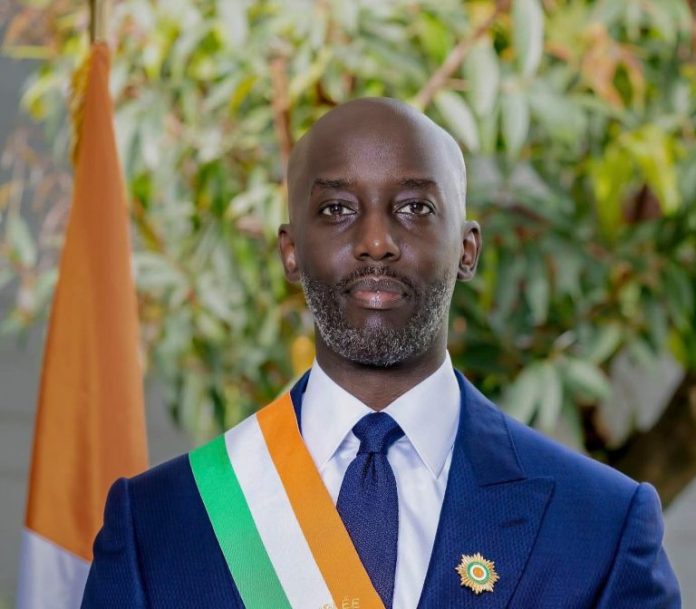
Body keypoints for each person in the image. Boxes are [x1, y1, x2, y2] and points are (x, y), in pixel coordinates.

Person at [81, 98, 681, 609]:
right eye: (337, 209)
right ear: (291, 252)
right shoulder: (158, 525)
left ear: (467, 249)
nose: (375, 242)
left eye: (415, 208)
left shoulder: (601, 526)